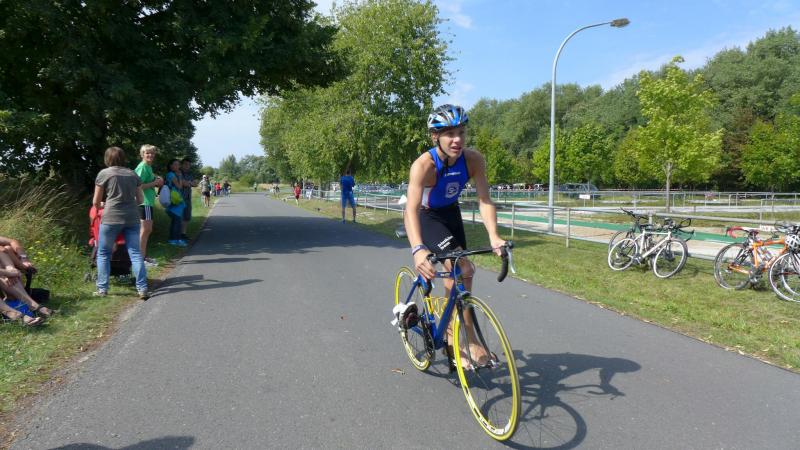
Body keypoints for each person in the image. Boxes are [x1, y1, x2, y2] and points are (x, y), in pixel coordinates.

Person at [403, 104, 506, 368]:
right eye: (449, 134)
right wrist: (418, 249)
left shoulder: (473, 160)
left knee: (460, 273)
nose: (457, 139)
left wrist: (494, 236)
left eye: (461, 132)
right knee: (463, 267)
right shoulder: (424, 165)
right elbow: (410, 210)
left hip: (451, 213)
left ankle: (466, 337)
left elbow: (485, 200)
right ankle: (456, 341)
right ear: (435, 136)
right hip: (427, 216)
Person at [93, 146, 149, 299]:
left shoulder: (104, 174)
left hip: (111, 217)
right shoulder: (132, 174)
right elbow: (141, 200)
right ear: (123, 158)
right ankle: (142, 288)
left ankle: (102, 289)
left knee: (104, 253)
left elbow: (96, 202)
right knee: (135, 253)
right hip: (132, 217)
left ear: (107, 158)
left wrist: (104, 204)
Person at [134, 144, 164, 267]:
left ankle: (143, 256)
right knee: (145, 230)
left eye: (152, 153)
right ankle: (140, 259)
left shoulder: (148, 167)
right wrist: (155, 183)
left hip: (148, 202)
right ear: (142, 154)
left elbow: (149, 181)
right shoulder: (142, 167)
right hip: (144, 202)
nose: (150, 155)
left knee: (146, 230)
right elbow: (138, 186)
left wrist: (156, 180)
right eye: (147, 153)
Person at [164, 159, 187, 247]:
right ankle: (175, 240)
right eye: (175, 164)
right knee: (177, 221)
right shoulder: (171, 174)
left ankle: (174, 239)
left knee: (175, 221)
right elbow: (179, 186)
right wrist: (180, 177)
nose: (177, 166)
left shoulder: (169, 174)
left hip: (173, 199)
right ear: (171, 166)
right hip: (175, 200)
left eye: (178, 165)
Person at [180, 158, 197, 241]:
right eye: (186, 164)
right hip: (179, 198)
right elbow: (184, 183)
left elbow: (195, 184)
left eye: (189, 165)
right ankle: (178, 234)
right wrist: (190, 183)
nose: (187, 166)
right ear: (182, 164)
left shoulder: (190, 174)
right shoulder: (179, 173)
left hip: (188, 198)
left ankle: (183, 234)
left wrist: (189, 183)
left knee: (187, 216)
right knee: (180, 216)